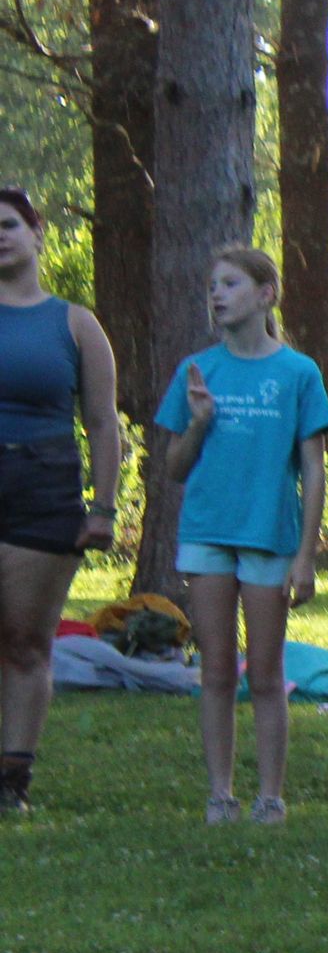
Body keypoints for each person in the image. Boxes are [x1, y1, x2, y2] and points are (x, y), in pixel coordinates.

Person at [157, 247, 328, 824]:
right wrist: (201, 421)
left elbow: (313, 469)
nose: (216, 294)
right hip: (208, 534)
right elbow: (175, 468)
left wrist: (305, 556)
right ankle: (220, 794)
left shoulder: (298, 373)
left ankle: (270, 796)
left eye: (230, 283)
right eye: (212, 285)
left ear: (266, 295)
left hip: (269, 537)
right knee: (215, 669)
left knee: (264, 673)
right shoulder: (197, 370)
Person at [0, 185, 121, 813]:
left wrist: (103, 509)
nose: (0, 236)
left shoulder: (75, 323)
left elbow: (103, 422)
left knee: (25, 640)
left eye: (9, 224)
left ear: (37, 232)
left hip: (44, 489)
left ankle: (11, 781)